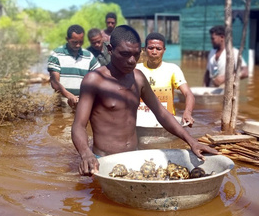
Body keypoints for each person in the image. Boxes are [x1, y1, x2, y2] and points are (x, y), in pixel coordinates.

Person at [71, 25, 218, 176]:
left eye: (136, 54)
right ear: (110, 49)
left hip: (134, 156)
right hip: (103, 159)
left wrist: (191, 141)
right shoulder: (95, 80)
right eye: (125, 54)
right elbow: (79, 125)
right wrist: (85, 154)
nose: (131, 60)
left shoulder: (138, 78)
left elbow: (161, 113)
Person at [136, 32, 195, 126]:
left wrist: (187, 112)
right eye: (150, 48)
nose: (154, 52)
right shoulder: (136, 70)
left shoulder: (172, 69)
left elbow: (188, 94)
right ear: (145, 49)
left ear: (164, 50)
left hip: (167, 122)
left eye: (158, 49)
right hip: (141, 121)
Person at [48, 24, 99, 109]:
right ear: (67, 39)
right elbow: (54, 82)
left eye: (81, 42)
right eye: (74, 42)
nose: (78, 45)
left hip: (84, 102)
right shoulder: (56, 55)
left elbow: (99, 76)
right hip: (63, 102)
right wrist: (69, 95)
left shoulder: (89, 56)